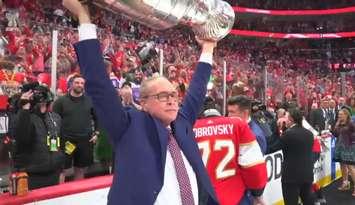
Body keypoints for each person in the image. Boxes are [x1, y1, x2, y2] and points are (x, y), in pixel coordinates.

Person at [63, 0, 218, 204]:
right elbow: (99, 84)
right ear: (143, 102)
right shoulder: (128, 125)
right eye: (162, 96)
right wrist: (84, 18)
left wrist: (208, 48)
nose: (171, 101)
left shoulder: (181, 123)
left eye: (173, 95)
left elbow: (197, 89)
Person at [194, 99, 267, 205]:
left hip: (203, 197)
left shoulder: (189, 128)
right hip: (235, 196)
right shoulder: (238, 125)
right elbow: (253, 166)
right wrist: (257, 193)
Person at [13, 83, 64, 189]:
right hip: (31, 174)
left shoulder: (55, 117)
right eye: (36, 94)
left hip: (53, 172)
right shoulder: (24, 116)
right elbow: (22, 139)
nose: (39, 97)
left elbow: (61, 142)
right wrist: (25, 108)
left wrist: (61, 168)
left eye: (41, 94)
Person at [52, 74, 99, 182]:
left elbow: (98, 118)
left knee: (81, 169)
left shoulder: (89, 101)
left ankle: (78, 195)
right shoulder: (61, 102)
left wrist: (97, 133)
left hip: (84, 141)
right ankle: (59, 194)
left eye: (82, 83)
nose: (80, 85)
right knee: (63, 169)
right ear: (71, 84)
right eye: (77, 83)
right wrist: (55, 143)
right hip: (67, 142)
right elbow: (53, 121)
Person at [272, 108, 315, 205]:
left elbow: (272, 148)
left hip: (291, 177)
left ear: (291, 119)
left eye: (285, 117)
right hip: (307, 174)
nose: (284, 119)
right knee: (308, 201)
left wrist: (277, 130)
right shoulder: (309, 134)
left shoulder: (288, 134)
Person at [332, 108, 355, 197]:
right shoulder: (339, 123)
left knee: (350, 167)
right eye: (339, 114)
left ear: (346, 115)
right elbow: (335, 134)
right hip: (340, 147)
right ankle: (345, 183)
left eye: (341, 114)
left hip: (349, 148)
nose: (339, 116)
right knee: (342, 165)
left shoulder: (351, 124)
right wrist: (337, 124)